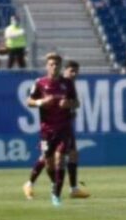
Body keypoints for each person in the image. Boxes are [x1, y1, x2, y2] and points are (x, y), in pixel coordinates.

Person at [24, 61, 91, 199]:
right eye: (72, 71)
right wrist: (42, 102)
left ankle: (72, 188)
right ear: (64, 70)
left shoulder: (68, 85)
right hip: (48, 130)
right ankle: (31, 183)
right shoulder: (50, 83)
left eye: (77, 71)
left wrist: (70, 105)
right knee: (46, 158)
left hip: (65, 127)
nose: (75, 74)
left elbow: (76, 103)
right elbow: (31, 101)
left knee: (72, 155)